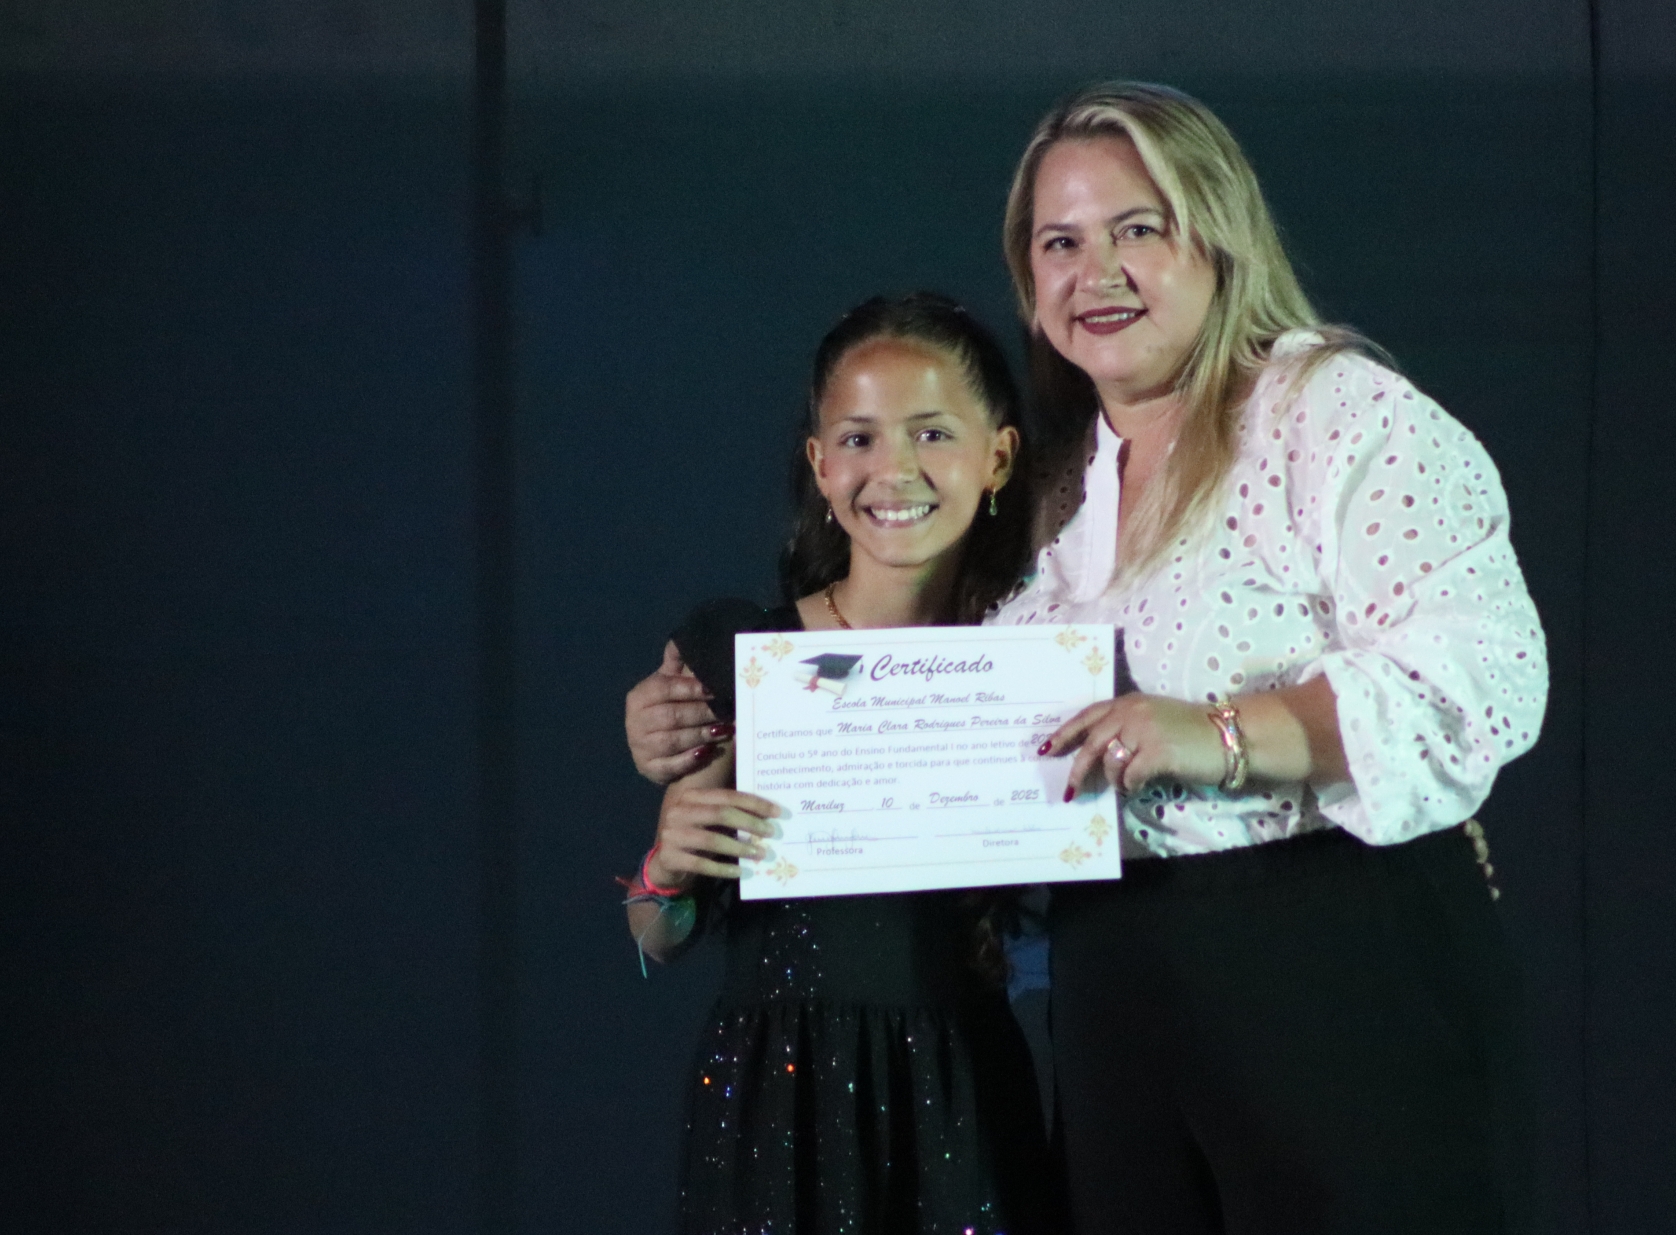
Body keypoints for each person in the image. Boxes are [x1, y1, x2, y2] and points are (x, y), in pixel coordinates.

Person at [986, 82, 1550, 1233]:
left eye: (1138, 227)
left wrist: (1219, 733)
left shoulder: (1329, 412)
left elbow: (1482, 674)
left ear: (1219, 235)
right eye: (1061, 242)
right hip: (1117, 984)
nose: (1097, 272)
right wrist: (715, 731)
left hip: (1327, 959)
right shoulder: (1059, 489)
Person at [619, 292, 1055, 1235]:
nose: (893, 468)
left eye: (931, 432)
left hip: (964, 1094)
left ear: (998, 457)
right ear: (820, 465)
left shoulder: (1041, 662)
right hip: (782, 1104)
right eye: (858, 438)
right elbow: (656, 932)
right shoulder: (747, 655)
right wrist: (666, 868)